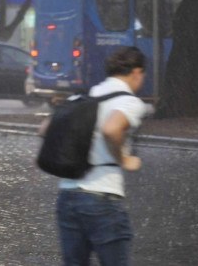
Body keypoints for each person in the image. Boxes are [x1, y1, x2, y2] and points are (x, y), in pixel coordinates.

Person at [50, 46, 147, 265]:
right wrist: (123, 159)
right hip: (101, 197)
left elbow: (46, 128)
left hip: (67, 196)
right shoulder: (129, 102)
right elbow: (112, 129)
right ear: (137, 73)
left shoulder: (84, 97)